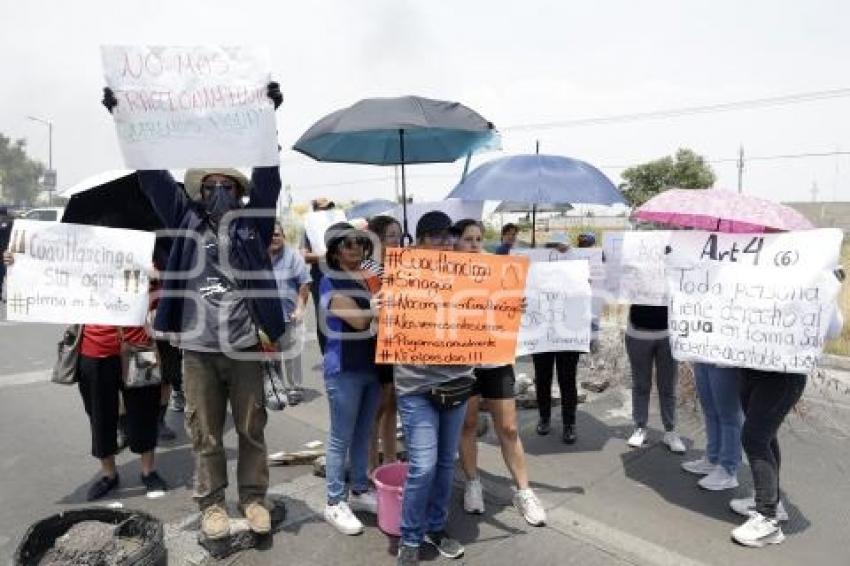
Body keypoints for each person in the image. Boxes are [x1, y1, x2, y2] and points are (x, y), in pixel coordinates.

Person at [4, 249, 167, 500]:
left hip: (140, 346)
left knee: (145, 411)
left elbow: (168, 295)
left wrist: (157, 276)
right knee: (100, 414)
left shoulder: (146, 254)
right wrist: (20, 264)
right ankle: (108, 474)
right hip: (94, 350)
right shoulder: (81, 257)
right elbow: (47, 278)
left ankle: (149, 471)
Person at [730, 290, 844, 547]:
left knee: (754, 438)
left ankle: (768, 519)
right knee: (763, 435)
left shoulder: (811, 275)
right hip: (751, 364)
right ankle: (772, 501)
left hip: (784, 371)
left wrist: (826, 292)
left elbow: (833, 329)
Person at [453, 219, 546, 527]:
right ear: (455, 242)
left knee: (508, 428)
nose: (475, 243)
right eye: (468, 239)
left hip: (495, 358)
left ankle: (524, 491)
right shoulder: (443, 273)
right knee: (467, 424)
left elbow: (513, 307)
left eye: (479, 238)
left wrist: (516, 304)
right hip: (461, 362)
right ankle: (472, 483)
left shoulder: (498, 268)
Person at [395, 211, 475, 566]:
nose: (444, 241)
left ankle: (435, 527)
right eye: (435, 235)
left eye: (448, 235)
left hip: (457, 381)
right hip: (415, 385)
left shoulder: (471, 276)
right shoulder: (401, 275)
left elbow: (492, 315)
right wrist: (384, 308)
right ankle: (410, 536)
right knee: (423, 465)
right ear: (420, 240)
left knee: (445, 463)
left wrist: (509, 307)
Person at [319, 222, 383, 535]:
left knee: (364, 432)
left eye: (359, 242)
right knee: (340, 436)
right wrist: (376, 307)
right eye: (346, 244)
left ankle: (359, 489)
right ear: (334, 251)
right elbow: (357, 321)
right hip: (343, 367)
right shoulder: (330, 279)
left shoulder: (371, 277)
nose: (355, 247)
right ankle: (334, 501)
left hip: (372, 365)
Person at [362, 215, 403, 469]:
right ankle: (370, 466)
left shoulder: (403, 265)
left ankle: (390, 458)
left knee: (393, 404)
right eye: (391, 235)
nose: (397, 241)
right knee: (378, 407)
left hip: (398, 341)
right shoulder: (366, 269)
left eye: (399, 235)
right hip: (376, 340)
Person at [624, 304, 686, 453]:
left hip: (668, 334)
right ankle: (640, 428)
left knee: (667, 387)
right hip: (638, 332)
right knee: (641, 385)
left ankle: (670, 431)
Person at [681, 363, 742, 491]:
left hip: (725, 359)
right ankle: (713, 458)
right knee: (710, 410)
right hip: (704, 355)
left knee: (729, 415)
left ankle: (728, 469)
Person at [269, 221, 311, 405]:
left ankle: (295, 388)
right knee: (271, 355)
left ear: (283, 237)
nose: (273, 238)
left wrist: (300, 308)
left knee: (292, 354)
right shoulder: (258, 257)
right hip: (267, 319)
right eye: (270, 234)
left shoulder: (293, 256)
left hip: (289, 315)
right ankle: (277, 389)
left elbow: (304, 283)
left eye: (277, 234)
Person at [302, 197, 337, 354]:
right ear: (315, 210)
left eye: (329, 208)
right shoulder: (308, 228)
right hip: (320, 276)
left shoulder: (339, 224)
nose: (326, 211)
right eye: (323, 208)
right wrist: (325, 256)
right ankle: (327, 353)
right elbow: (304, 255)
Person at [0, 207, 13, 302]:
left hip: (6, 253)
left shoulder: (8, 223)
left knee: (5, 274)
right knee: (4, 275)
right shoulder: (11, 223)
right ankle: (3, 294)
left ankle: (5, 294)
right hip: (7, 252)